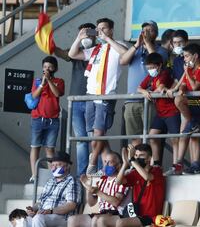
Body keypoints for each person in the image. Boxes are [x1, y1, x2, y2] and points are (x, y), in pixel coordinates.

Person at [69, 18, 128, 175]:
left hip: (106, 95)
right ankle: (105, 161)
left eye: (104, 28)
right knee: (94, 136)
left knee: (98, 134)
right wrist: (79, 38)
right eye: (98, 29)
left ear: (111, 30)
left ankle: (93, 162)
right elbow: (72, 54)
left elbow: (126, 54)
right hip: (90, 95)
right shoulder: (96, 49)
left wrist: (108, 39)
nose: (100, 31)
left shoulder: (118, 44)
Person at [54, 22, 96, 177]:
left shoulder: (99, 50)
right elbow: (62, 54)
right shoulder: (76, 52)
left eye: (88, 33)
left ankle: (97, 171)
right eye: (82, 33)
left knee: (95, 139)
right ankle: (82, 174)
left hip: (93, 100)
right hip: (76, 101)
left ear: (95, 34)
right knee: (80, 140)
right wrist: (78, 39)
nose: (85, 36)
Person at [120, 21, 168, 148]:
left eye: (150, 30)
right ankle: (137, 165)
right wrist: (136, 45)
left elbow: (157, 59)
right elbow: (123, 61)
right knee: (135, 138)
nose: (146, 33)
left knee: (151, 137)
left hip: (151, 100)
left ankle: (152, 166)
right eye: (144, 30)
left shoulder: (161, 50)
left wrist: (147, 43)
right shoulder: (135, 49)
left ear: (156, 34)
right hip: (131, 101)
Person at [167, 44, 200, 174]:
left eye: (186, 56)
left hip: (199, 103)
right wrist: (180, 89)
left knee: (178, 100)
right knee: (191, 134)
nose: (184, 59)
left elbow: (195, 86)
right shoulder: (190, 70)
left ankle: (179, 163)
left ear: (195, 56)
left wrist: (186, 72)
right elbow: (184, 85)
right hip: (190, 104)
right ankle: (193, 165)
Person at [137, 53, 180, 170]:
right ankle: (156, 163)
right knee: (152, 137)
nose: (150, 70)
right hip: (160, 113)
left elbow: (160, 88)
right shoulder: (151, 77)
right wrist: (144, 92)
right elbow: (139, 88)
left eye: (152, 67)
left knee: (175, 139)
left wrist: (149, 92)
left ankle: (176, 165)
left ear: (159, 66)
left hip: (172, 112)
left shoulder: (164, 73)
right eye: (148, 68)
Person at [67, 152, 128, 227]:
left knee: (98, 219)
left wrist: (97, 191)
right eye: (105, 162)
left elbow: (116, 202)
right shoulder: (101, 179)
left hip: (116, 214)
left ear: (119, 165)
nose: (106, 165)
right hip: (101, 213)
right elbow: (91, 203)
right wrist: (88, 188)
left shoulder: (122, 180)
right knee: (72, 220)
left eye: (110, 162)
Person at [30, 56, 65, 182]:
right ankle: (34, 175)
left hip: (53, 120)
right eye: (45, 67)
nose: (47, 69)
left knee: (50, 149)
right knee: (35, 146)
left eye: (49, 67)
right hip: (38, 119)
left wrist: (49, 81)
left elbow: (57, 93)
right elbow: (34, 96)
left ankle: (52, 176)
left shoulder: (59, 81)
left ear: (54, 68)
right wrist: (42, 85)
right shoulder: (37, 81)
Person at [25, 151, 81, 227]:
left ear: (67, 166)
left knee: (38, 218)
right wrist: (32, 209)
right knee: (22, 219)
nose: (54, 167)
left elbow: (71, 205)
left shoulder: (72, 181)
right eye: (53, 165)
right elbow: (40, 202)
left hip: (62, 217)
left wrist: (50, 211)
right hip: (44, 215)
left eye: (58, 165)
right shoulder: (50, 181)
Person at [116, 144, 166, 227]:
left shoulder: (157, 171)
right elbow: (118, 182)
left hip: (151, 217)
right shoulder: (135, 173)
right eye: (136, 155)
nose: (138, 158)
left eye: (141, 155)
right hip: (135, 214)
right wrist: (125, 164)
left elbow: (147, 177)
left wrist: (132, 160)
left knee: (120, 223)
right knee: (102, 220)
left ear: (150, 158)